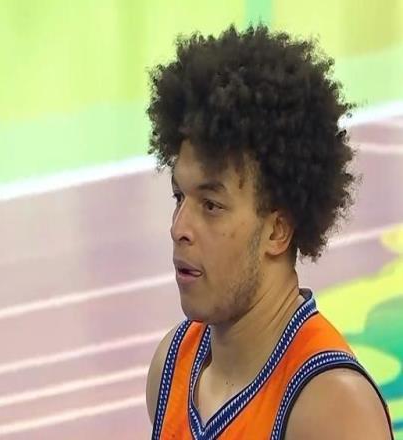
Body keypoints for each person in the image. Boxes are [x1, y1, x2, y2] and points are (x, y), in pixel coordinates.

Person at [145, 24, 394, 439]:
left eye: (211, 205)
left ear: (277, 231)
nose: (179, 228)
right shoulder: (170, 367)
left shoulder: (332, 408)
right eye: (178, 197)